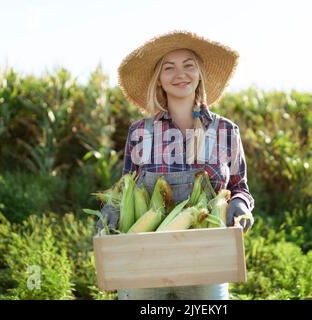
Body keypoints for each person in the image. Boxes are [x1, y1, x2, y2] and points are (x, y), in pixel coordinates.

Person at [99, 30, 255, 300]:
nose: (179, 74)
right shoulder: (140, 133)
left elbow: (238, 187)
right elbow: (125, 188)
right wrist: (110, 212)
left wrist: (240, 204)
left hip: (207, 263)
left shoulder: (226, 131)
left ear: (199, 75)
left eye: (188, 66)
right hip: (144, 264)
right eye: (168, 68)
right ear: (159, 79)